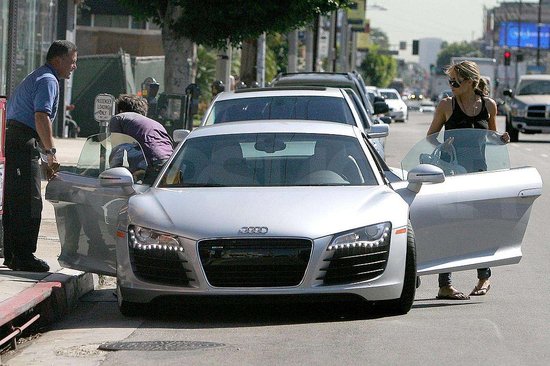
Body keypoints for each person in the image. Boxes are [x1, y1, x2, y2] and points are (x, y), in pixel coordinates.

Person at [426, 60, 510, 300]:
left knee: (480, 227)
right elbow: (430, 137)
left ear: (471, 82)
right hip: (451, 175)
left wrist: (501, 139)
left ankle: (484, 279)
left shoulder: (489, 106)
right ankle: (445, 284)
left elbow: (491, 136)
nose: (451, 84)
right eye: (450, 80)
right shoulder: (446, 105)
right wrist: (443, 144)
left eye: (456, 81)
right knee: (449, 227)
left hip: (478, 175)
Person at [3, 40, 78, 272]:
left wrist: (44, 154)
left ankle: (14, 255)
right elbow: (41, 117)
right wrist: (50, 153)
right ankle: (24, 256)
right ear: (58, 60)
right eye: (72, 61)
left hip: (18, 140)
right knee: (29, 202)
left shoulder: (40, 76)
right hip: (22, 141)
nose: (74, 66)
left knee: (17, 201)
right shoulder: (48, 80)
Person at [109, 94, 174, 184]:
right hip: (172, 165)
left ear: (120, 110)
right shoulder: (156, 124)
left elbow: (117, 153)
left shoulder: (119, 118)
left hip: (152, 165)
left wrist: (112, 174)